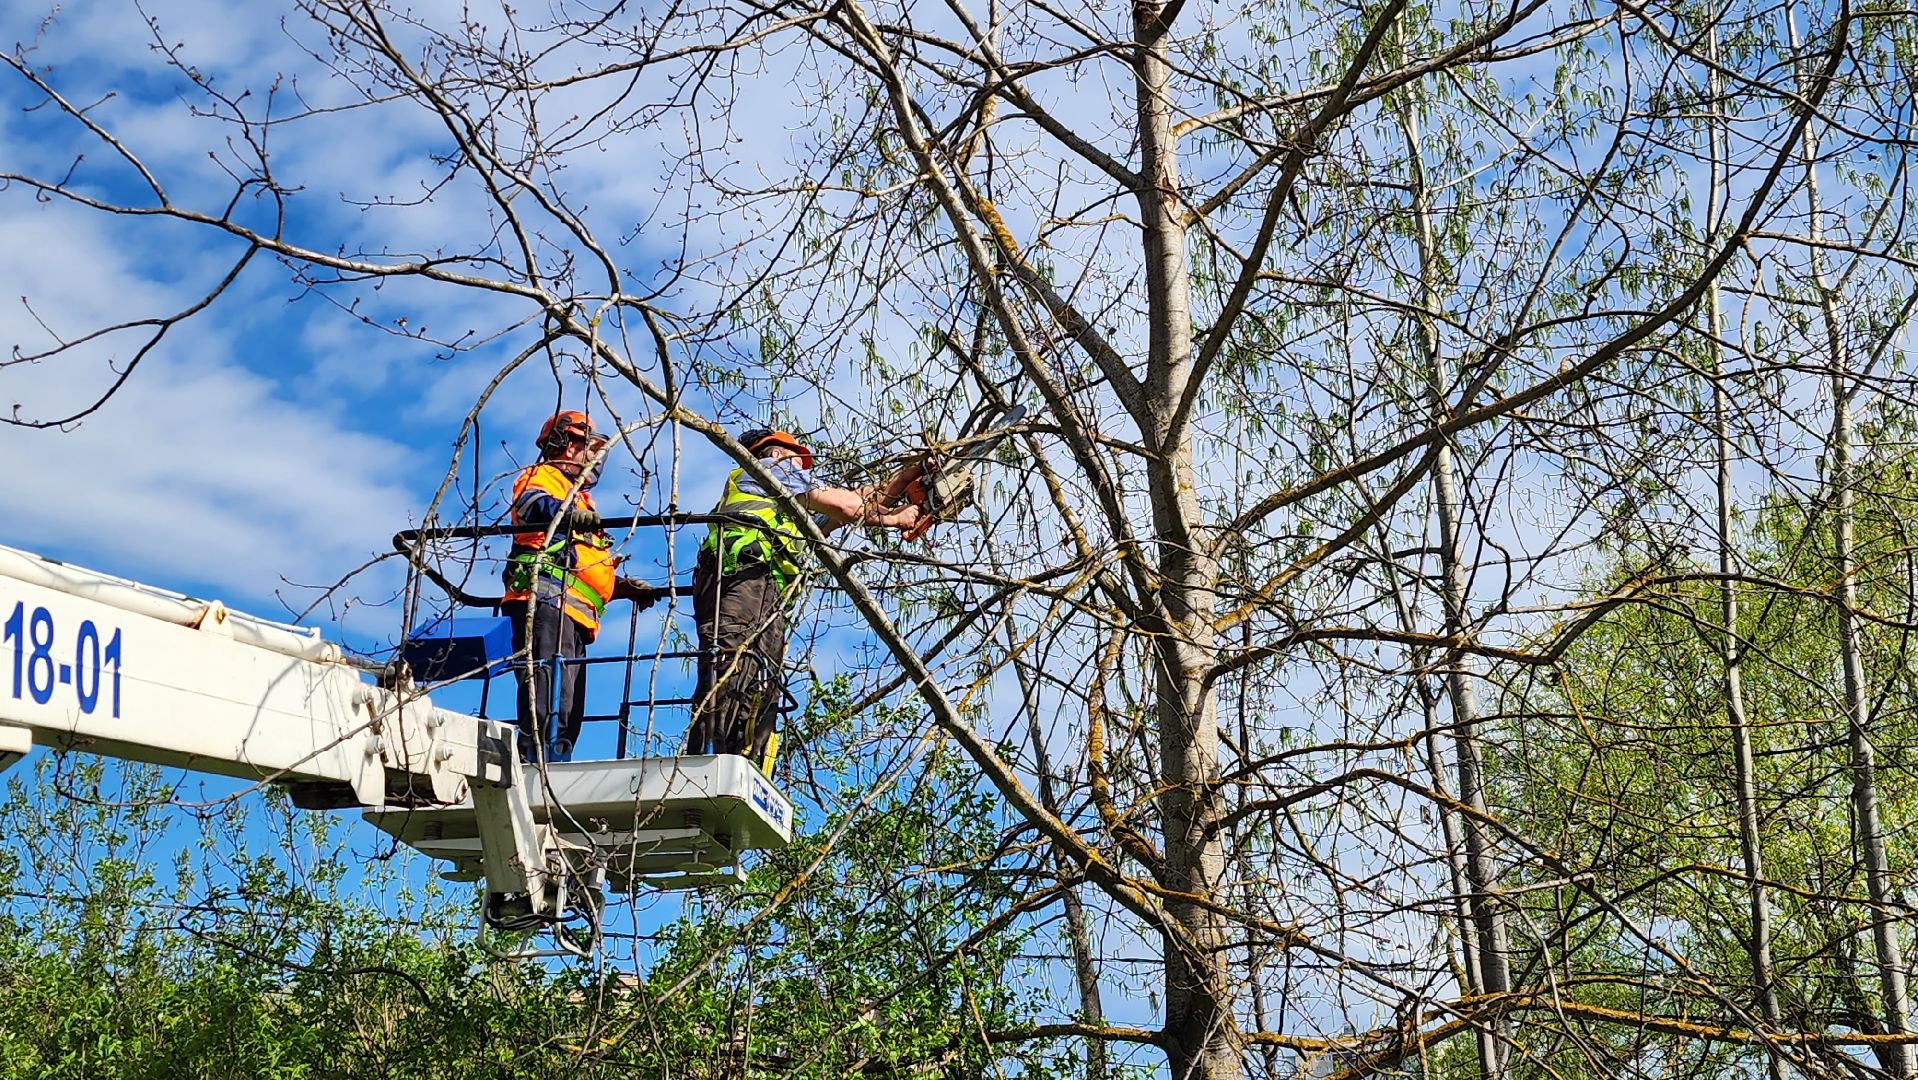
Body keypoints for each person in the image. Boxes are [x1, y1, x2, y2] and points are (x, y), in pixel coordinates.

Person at [686, 428, 922, 773]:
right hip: (741, 577)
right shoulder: (767, 469)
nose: (801, 467)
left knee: (760, 682)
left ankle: (744, 764)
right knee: (731, 669)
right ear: (775, 452)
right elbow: (847, 506)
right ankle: (706, 763)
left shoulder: (785, 507)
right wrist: (896, 519)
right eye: (797, 459)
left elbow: (858, 502)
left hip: (763, 590)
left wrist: (909, 475)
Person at [501, 410, 663, 763]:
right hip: (545, 601)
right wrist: (567, 513)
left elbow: (578, 564)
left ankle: (556, 760)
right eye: (587, 447)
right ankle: (537, 760)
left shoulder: (580, 499)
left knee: (569, 706)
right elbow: (530, 506)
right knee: (548, 695)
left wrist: (620, 587)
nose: (592, 457)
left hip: (572, 613)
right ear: (565, 443)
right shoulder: (543, 476)